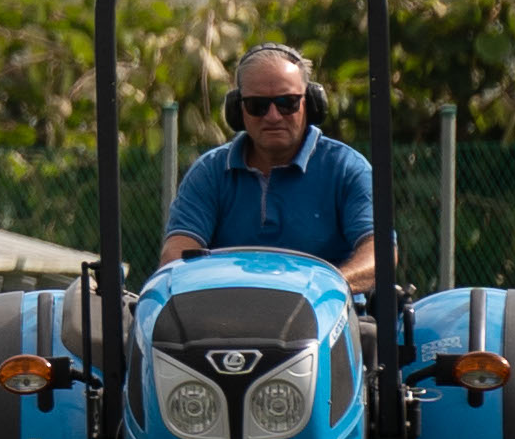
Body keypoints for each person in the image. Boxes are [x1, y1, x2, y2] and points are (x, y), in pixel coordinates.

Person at [159, 42, 377, 298]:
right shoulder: (210, 172)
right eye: (258, 106)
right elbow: (177, 254)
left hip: (328, 319)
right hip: (228, 320)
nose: (273, 116)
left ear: (311, 103)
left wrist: (329, 288)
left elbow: (378, 252)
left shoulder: (347, 168)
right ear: (237, 110)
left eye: (287, 103)